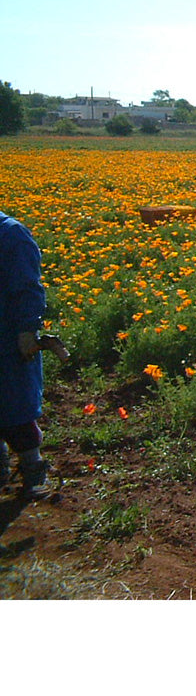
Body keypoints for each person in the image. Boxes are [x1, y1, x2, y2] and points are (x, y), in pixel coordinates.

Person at [0, 211, 51, 500]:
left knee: (16, 409)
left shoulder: (11, 234)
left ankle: (34, 471)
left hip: (7, 338)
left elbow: (29, 287)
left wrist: (27, 329)